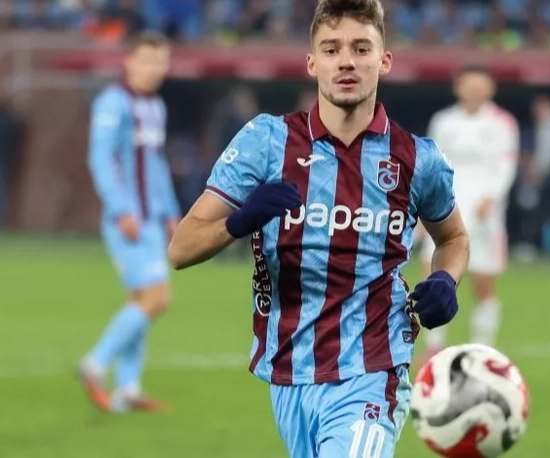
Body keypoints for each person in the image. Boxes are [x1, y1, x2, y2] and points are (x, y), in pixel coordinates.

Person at [168, 0, 469, 456]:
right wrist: (240, 221)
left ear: (384, 61)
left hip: (374, 369)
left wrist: (446, 279)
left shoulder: (416, 158)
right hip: (290, 371)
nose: (346, 61)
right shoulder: (267, 142)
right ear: (312, 63)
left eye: (361, 48)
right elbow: (180, 249)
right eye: (331, 49)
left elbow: (454, 238)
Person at [79, 31, 180, 413]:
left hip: (152, 218)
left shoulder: (156, 106)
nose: (155, 69)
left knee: (139, 302)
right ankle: (95, 363)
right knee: (158, 298)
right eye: (148, 60)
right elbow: (101, 158)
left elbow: (156, 163)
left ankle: (127, 389)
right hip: (128, 220)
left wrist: (170, 211)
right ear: (129, 62)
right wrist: (122, 209)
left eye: (161, 61)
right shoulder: (113, 102)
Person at [419, 65, 518, 353]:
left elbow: (506, 165)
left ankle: (482, 350)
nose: (474, 91)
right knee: (433, 275)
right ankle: (433, 346)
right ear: (458, 87)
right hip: (446, 207)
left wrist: (492, 197)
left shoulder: (502, 123)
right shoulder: (443, 121)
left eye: (479, 85)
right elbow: (431, 163)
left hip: (485, 211)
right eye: (468, 85)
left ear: (490, 89)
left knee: (482, 283)